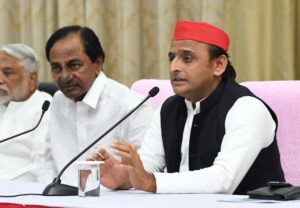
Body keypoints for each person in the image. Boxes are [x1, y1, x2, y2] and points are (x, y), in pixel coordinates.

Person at [91, 21, 285, 194]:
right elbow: (149, 165)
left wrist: (150, 181)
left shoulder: (247, 109)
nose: (174, 67)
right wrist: (125, 177)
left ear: (219, 65)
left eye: (187, 58)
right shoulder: (169, 108)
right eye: (171, 58)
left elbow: (223, 180)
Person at [45, 25, 155, 186]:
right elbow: (48, 161)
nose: (64, 76)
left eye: (74, 65)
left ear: (98, 63)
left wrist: (122, 180)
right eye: (56, 68)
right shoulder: (57, 101)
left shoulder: (133, 106)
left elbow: (148, 172)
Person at [0, 43, 55, 182]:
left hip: (18, 190)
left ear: (32, 79)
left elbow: (41, 167)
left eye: (8, 73)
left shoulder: (46, 109)